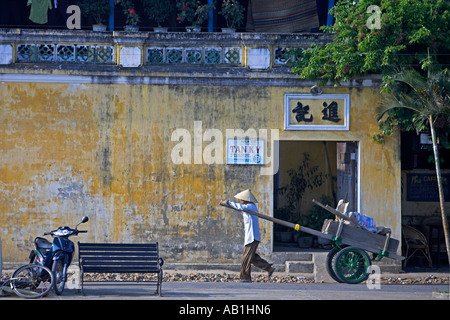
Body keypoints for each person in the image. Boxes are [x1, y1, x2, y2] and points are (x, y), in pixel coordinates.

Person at [220, 189, 275, 282]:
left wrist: (227, 202)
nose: (241, 201)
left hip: (252, 237)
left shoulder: (251, 207)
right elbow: (238, 207)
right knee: (252, 257)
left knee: (246, 258)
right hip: (250, 237)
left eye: (242, 199)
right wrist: (228, 204)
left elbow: (239, 207)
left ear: (246, 200)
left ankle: (245, 277)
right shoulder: (247, 207)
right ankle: (268, 268)